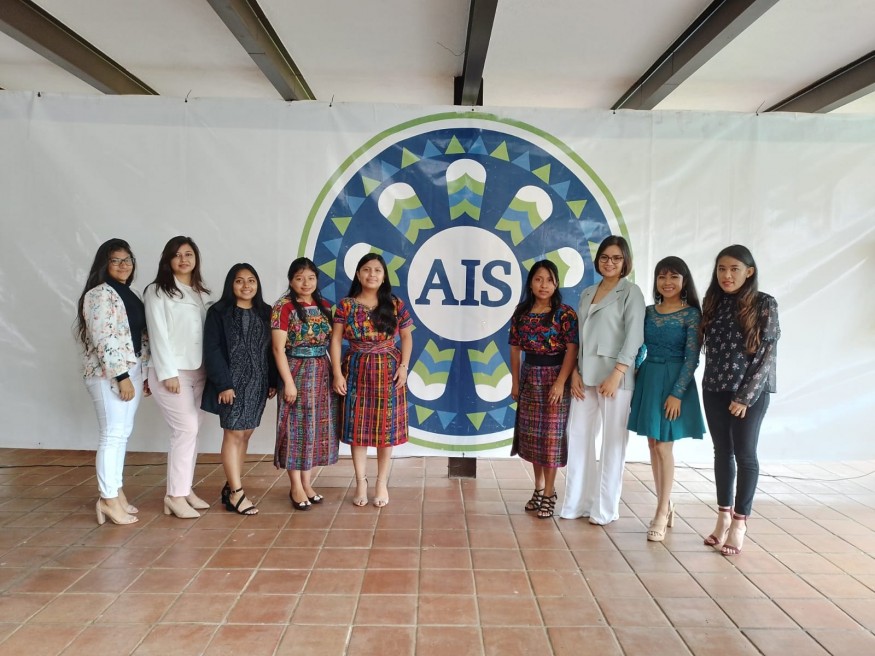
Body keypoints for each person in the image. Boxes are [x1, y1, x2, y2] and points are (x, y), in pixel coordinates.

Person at [700, 244, 779, 556]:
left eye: (734, 269)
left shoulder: (764, 303)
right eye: (722, 269)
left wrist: (745, 397)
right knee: (722, 453)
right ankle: (722, 516)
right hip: (714, 388)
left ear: (749, 271)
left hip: (750, 393)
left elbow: (766, 354)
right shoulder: (713, 302)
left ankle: (740, 522)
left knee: (745, 455)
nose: (727, 275)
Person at [560, 235, 645, 525]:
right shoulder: (587, 292)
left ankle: (605, 509)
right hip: (585, 376)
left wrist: (617, 374)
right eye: (605, 257)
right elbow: (580, 337)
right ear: (598, 261)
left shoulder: (631, 293)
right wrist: (575, 371)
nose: (610, 262)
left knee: (613, 444)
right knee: (578, 436)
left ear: (625, 262)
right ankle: (576, 503)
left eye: (617, 258)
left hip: (615, 379)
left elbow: (634, 337)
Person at [627, 256, 706, 541]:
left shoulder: (691, 315)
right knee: (652, 444)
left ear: (684, 281)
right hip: (648, 377)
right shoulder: (649, 311)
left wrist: (677, 393)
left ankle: (661, 511)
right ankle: (666, 503)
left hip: (675, 379)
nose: (667, 282)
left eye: (674, 276)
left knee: (663, 446)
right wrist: (634, 374)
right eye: (662, 276)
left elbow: (692, 358)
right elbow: (639, 347)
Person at [330, 253, 413, 508]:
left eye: (377, 270)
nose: (372, 274)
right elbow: (335, 340)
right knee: (358, 429)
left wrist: (404, 367)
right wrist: (337, 373)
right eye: (366, 269)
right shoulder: (345, 305)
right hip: (355, 368)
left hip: (389, 369)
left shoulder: (395, 303)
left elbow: (407, 337)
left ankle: (381, 483)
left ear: (384, 275)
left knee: (386, 428)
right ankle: (360, 482)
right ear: (358, 274)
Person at [77, 238, 149, 526]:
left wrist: (142, 373)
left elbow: (140, 336)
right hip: (109, 375)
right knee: (112, 434)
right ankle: (107, 499)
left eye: (127, 260)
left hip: (132, 369)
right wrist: (121, 377)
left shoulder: (130, 293)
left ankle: (115, 491)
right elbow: (103, 338)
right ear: (104, 265)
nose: (123, 265)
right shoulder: (98, 295)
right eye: (115, 260)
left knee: (122, 433)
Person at [145, 236, 211, 519]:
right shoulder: (157, 291)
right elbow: (157, 333)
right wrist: (167, 372)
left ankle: (184, 489)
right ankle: (174, 496)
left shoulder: (200, 292)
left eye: (189, 254)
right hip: (173, 373)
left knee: (192, 432)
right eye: (177, 255)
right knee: (186, 430)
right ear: (168, 259)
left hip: (200, 371)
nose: (183, 260)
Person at [202, 263, 276, 516]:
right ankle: (236, 492)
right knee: (233, 434)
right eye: (239, 280)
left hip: (258, 383)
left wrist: (272, 380)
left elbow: (272, 350)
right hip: (231, 386)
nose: (246, 285)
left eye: (251, 280)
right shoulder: (219, 312)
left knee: (245, 435)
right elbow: (212, 350)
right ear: (230, 285)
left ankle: (231, 486)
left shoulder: (265, 312)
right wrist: (223, 384)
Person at [509, 260, 579, 519]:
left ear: (557, 283)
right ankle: (538, 488)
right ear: (530, 283)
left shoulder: (565, 314)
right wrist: (516, 382)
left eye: (549, 280)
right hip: (529, 376)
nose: (544, 285)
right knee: (532, 438)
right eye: (538, 279)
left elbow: (572, 350)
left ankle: (550, 493)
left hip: (555, 378)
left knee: (550, 439)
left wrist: (561, 382)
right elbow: (515, 349)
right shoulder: (521, 313)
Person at [271, 258, 340, 510]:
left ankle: (307, 483)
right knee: (295, 428)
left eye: (311, 278)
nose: (306, 283)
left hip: (321, 371)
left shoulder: (325, 306)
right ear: (291, 281)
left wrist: (335, 373)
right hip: (295, 370)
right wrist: (288, 383)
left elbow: (332, 343)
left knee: (314, 429)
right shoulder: (283, 307)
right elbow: (278, 349)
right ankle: (295, 486)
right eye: (299, 278)